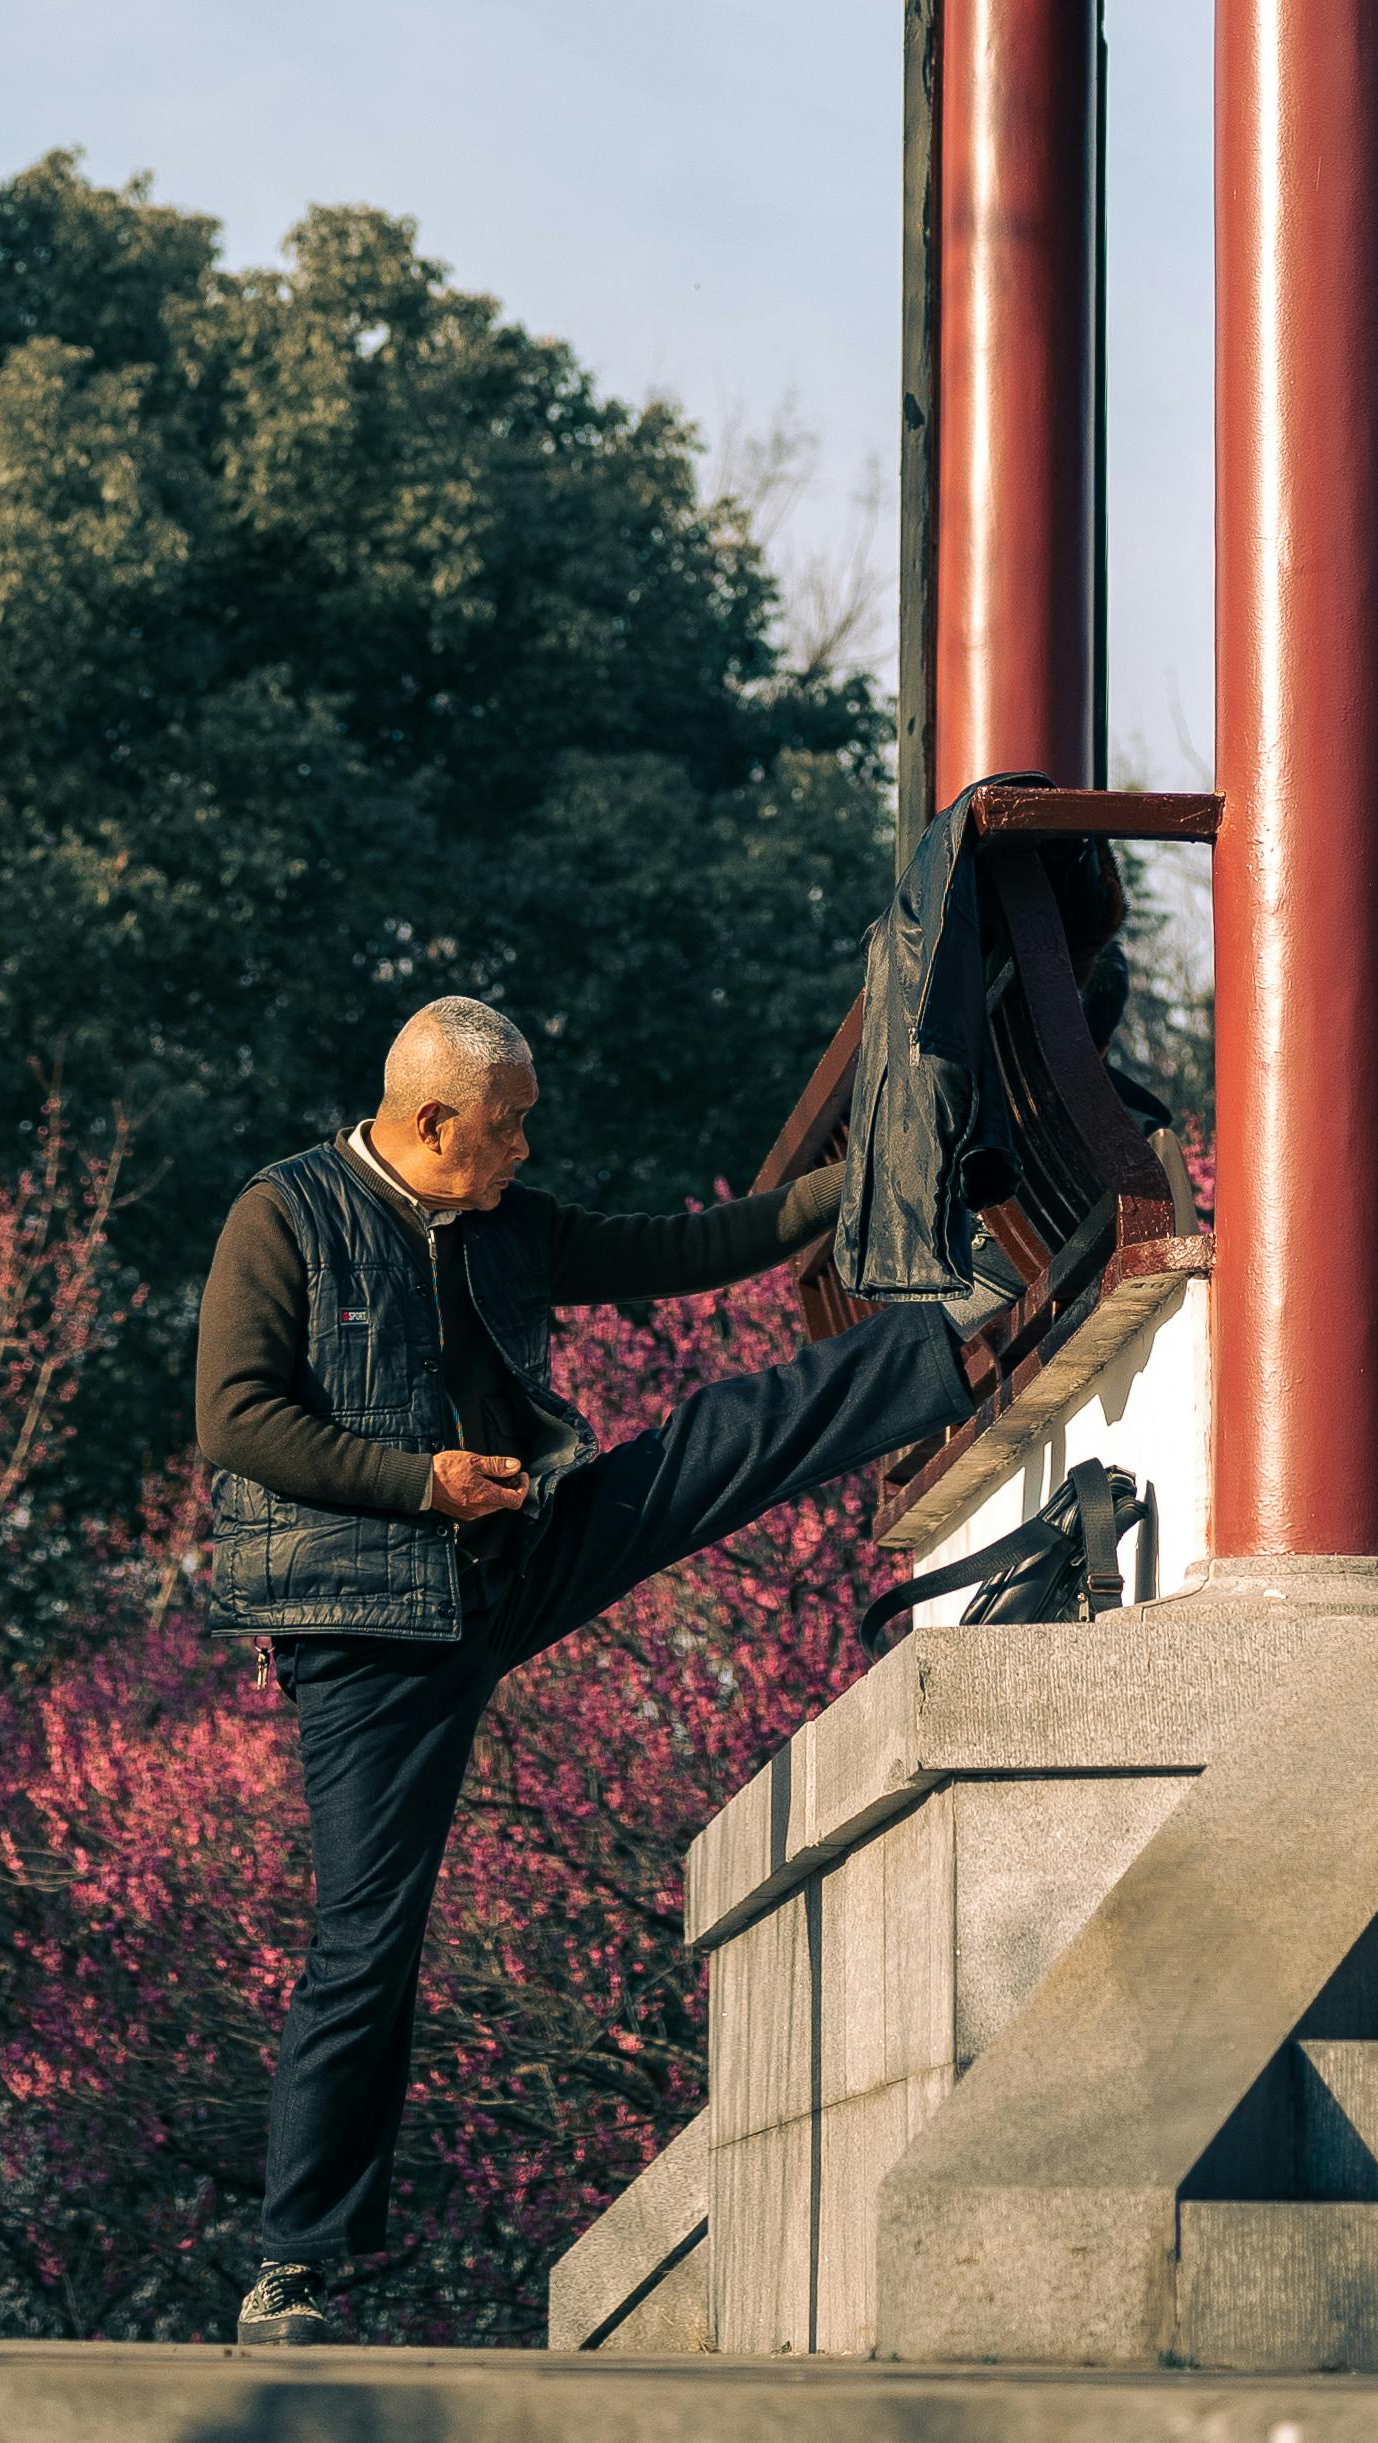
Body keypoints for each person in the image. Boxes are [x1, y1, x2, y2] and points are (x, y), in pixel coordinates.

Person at [194, 987, 984, 2346]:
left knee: (712, 1445)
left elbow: (679, 1252)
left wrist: (840, 1193)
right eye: (504, 1131)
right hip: (371, 1627)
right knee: (367, 1938)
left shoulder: (503, 1223)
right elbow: (236, 1417)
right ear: (431, 1118)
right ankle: (293, 2266)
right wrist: (416, 1484)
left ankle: (948, 1336)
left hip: (504, 1558)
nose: (520, 1152)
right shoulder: (287, 1215)